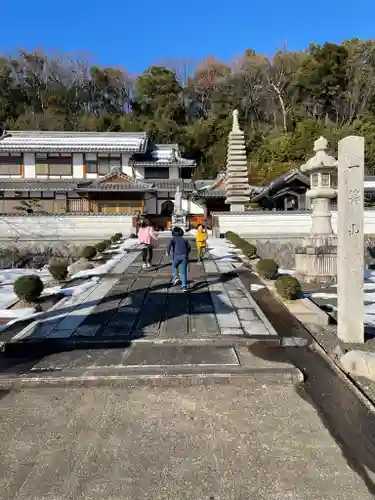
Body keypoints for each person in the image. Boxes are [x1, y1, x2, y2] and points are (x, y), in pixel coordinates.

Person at [167, 226, 190, 292]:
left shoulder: (173, 239)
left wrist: (168, 252)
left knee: (174, 266)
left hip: (176, 257)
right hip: (184, 257)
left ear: (173, 233)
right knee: (183, 272)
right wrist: (186, 254)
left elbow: (169, 245)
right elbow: (189, 248)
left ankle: (176, 277)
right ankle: (184, 286)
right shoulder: (185, 240)